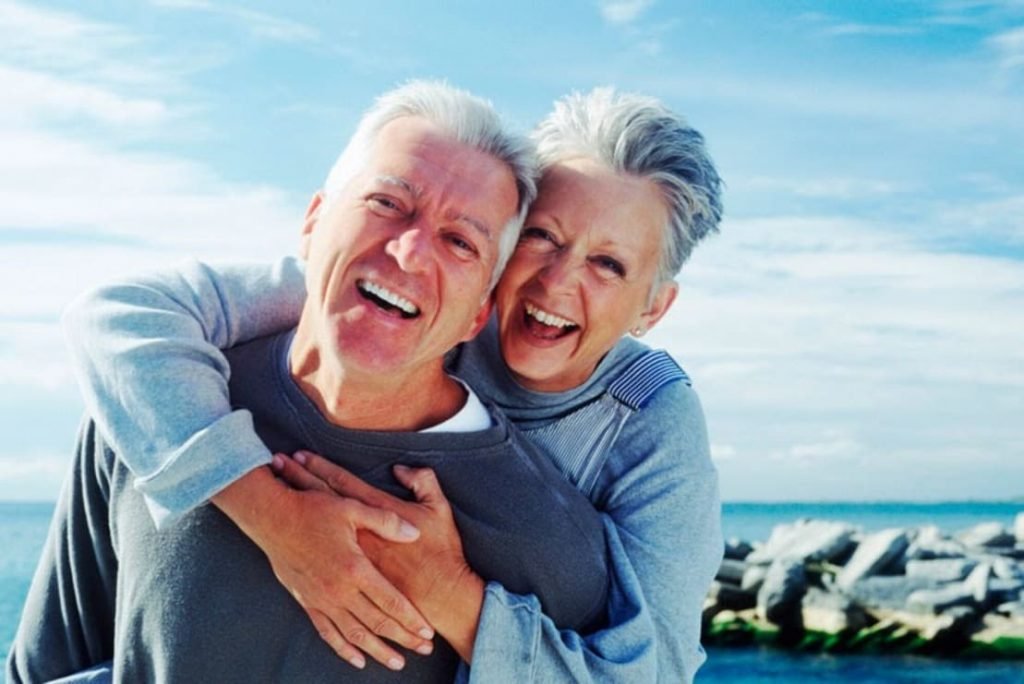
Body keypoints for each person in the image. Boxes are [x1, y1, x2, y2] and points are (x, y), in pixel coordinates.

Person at [23, 87, 725, 682]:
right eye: (542, 237)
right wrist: (274, 516)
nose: (556, 282)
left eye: (608, 265)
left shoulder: (646, 421)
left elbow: (655, 665)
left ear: (651, 308)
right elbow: (126, 317)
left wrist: (452, 597)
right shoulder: (362, 305)